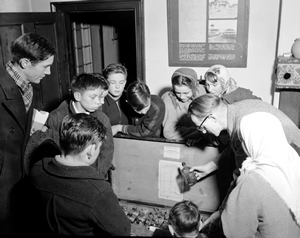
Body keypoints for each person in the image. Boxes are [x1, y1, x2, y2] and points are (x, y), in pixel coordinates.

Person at [188, 93, 300, 226]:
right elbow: (234, 146)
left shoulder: (243, 125)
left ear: (211, 118)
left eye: (202, 127)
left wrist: (221, 212)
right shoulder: (238, 110)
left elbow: (241, 177)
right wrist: (208, 168)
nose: (204, 132)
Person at [30, 113, 131, 236]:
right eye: (99, 147)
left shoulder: (37, 169)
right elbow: (123, 231)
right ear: (91, 150)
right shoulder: (98, 192)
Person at [0, 32, 55, 234]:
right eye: (45, 66)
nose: (49, 72)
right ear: (25, 63)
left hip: (19, 174)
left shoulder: (27, 87)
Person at [221, 112, 300, 237]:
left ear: (250, 141)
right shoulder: (294, 167)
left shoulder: (251, 182)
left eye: (242, 141)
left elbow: (235, 234)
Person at [45, 73, 114, 177]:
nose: (101, 102)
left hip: (93, 174)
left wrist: (96, 176)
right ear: (77, 96)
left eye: (102, 97)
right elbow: (49, 152)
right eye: (93, 97)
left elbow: (107, 151)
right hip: (63, 175)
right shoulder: (56, 117)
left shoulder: (102, 119)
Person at [161, 68, 206, 140]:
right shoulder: (168, 99)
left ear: (194, 87)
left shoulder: (203, 93)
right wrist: (196, 134)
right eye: (178, 92)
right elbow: (169, 132)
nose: (182, 97)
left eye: (186, 93)